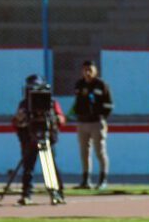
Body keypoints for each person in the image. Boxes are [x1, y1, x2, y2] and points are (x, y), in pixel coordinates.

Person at [12, 74, 66, 206]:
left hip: (46, 137)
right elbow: (16, 122)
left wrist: (57, 119)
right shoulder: (24, 104)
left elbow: (61, 119)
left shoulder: (51, 102)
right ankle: (26, 194)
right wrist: (20, 119)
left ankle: (57, 193)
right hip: (29, 138)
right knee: (28, 167)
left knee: (50, 166)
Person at [72, 60, 114, 190]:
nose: (87, 72)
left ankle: (103, 180)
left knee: (99, 151)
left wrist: (102, 117)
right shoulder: (79, 84)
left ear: (95, 70)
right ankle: (86, 180)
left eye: (90, 69)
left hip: (96, 122)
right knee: (84, 152)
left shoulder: (101, 85)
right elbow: (77, 102)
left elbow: (109, 105)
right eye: (85, 69)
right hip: (82, 122)